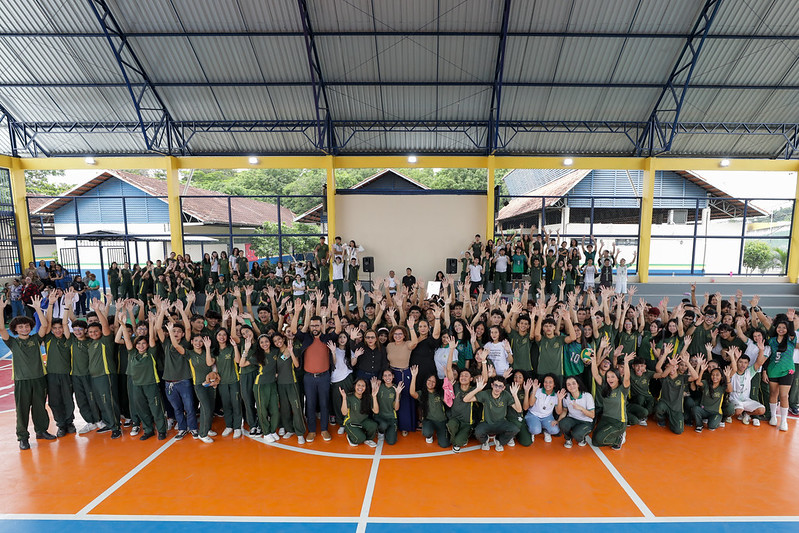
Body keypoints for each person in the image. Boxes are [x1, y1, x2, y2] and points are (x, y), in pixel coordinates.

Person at [0, 296, 56, 450]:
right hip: (22, 380)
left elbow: (44, 326)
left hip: (39, 378)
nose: (24, 329)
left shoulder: (36, 339)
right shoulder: (13, 342)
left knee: (40, 407)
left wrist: (37, 308)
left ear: (30, 327)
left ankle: (41, 431)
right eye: (20, 327)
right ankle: (23, 437)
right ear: (15, 329)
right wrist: (1, 309)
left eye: (26, 326)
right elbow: (1, 329)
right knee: (22, 410)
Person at [290, 299, 341, 443]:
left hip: (324, 377)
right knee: (310, 404)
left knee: (324, 404)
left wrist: (335, 314)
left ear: (321, 325)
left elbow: (338, 330)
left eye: (317, 325)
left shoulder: (327, 338)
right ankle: (312, 431)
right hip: (308, 378)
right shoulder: (306, 337)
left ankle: (324, 429)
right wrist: (298, 311)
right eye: (312, 325)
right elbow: (294, 330)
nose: (314, 327)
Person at [117, 310, 167, 441]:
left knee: (156, 408)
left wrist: (151, 323)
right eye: (138, 344)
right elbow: (127, 339)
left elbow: (151, 338)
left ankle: (162, 430)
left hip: (151, 384)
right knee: (142, 409)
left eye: (143, 343)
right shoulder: (132, 353)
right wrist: (122, 324)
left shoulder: (151, 352)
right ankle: (148, 430)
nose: (141, 345)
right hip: (136, 385)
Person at [463, 376, 522, 452]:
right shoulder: (486, 394)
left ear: (503, 388)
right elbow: (466, 399)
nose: (497, 388)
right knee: (478, 432)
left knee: (515, 429)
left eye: (500, 386)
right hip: (487, 422)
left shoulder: (506, 395)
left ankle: (499, 441)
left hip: (501, 423)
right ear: (492, 385)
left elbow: (519, 409)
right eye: (496, 385)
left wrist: (515, 395)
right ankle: (485, 441)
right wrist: (477, 389)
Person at [591, 352, 634, 450]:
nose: (610, 379)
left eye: (613, 377)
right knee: (595, 441)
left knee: (599, 438)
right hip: (606, 418)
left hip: (618, 421)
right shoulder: (605, 387)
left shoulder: (622, 389)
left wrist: (626, 362)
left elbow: (627, 378)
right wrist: (593, 361)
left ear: (618, 378)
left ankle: (618, 439)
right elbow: (596, 375)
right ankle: (614, 437)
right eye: (608, 377)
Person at [765, 315, 796, 431]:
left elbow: (792, 332)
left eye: (784, 327)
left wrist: (791, 320)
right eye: (779, 327)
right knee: (773, 394)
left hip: (787, 371)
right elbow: (768, 356)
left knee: (784, 396)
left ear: (787, 329)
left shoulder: (791, 339)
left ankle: (783, 421)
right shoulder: (772, 340)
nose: (781, 329)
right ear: (776, 328)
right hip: (773, 371)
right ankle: (773, 417)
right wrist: (765, 370)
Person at [410, 366, 449, 447]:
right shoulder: (422, 393)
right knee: (427, 432)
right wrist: (414, 376)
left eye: (433, 381)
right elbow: (412, 393)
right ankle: (429, 435)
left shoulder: (439, 392)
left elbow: (447, 401)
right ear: (425, 381)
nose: (431, 383)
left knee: (444, 445)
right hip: (429, 420)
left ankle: (439, 433)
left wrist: (447, 378)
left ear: (436, 383)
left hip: (441, 421)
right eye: (429, 380)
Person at [728, 345, 766, 426]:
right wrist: (734, 358)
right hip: (734, 399)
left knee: (762, 410)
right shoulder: (732, 371)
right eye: (740, 362)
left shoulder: (749, 372)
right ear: (737, 362)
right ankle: (730, 414)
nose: (743, 365)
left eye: (745, 363)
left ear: (748, 363)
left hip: (745, 400)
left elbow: (759, 363)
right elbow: (731, 367)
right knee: (738, 411)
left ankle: (747, 414)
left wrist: (761, 350)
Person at [556, 376, 595, 448]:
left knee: (577, 434)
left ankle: (582, 439)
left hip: (586, 421)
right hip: (572, 419)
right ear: (566, 387)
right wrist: (558, 421)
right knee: (562, 423)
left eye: (574, 383)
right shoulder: (566, 396)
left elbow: (592, 415)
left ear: (578, 384)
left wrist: (581, 408)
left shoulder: (587, 396)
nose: (571, 386)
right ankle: (568, 439)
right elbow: (564, 410)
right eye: (568, 384)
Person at [339, 378, 378, 447]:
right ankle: (350, 437)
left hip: (363, 421)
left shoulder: (368, 397)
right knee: (359, 439)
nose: (360, 387)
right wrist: (344, 398)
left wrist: (374, 397)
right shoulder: (349, 397)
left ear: (366, 388)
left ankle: (368, 439)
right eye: (358, 385)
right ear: (354, 386)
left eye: (363, 386)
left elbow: (376, 411)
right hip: (350, 423)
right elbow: (344, 413)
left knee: (373, 425)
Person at [524, 374, 561, 443]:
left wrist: (560, 400)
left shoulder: (556, 395)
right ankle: (532, 427)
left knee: (555, 430)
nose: (547, 384)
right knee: (535, 430)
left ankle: (545, 431)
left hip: (547, 417)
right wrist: (534, 390)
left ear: (554, 384)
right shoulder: (538, 390)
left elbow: (558, 412)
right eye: (545, 382)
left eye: (550, 382)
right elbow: (531, 404)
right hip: (533, 415)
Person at [370, 372, 402, 445]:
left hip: (391, 417)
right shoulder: (379, 386)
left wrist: (397, 394)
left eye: (389, 375)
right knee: (383, 425)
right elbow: (375, 411)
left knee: (391, 442)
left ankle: (387, 431)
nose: (387, 378)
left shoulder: (396, 388)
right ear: (382, 377)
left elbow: (396, 408)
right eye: (385, 375)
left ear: (393, 376)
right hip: (379, 416)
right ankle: (381, 431)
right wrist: (373, 389)